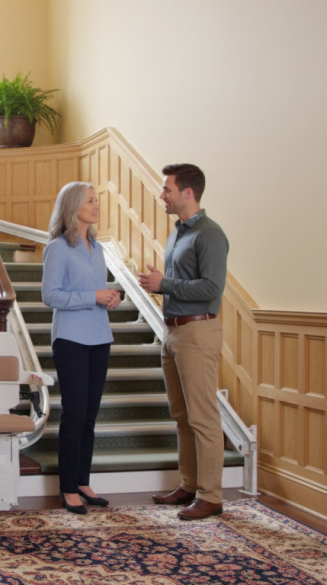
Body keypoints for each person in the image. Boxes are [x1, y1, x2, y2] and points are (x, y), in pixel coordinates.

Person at [138, 163, 229, 521]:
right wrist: (164, 286)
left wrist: (166, 285)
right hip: (173, 331)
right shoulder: (177, 233)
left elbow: (212, 288)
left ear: (187, 193)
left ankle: (212, 496)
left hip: (198, 332)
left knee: (203, 417)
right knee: (181, 416)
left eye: (167, 189)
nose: (162, 195)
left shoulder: (210, 235)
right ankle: (190, 485)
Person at [42, 181, 121, 514]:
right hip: (71, 340)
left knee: (89, 416)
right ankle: (68, 487)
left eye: (96, 201)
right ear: (73, 205)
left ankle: (83, 480)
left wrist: (109, 297)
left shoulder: (98, 248)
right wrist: (92, 297)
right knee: (73, 415)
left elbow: (96, 291)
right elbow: (51, 296)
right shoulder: (58, 248)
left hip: (100, 338)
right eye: (90, 200)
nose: (96, 205)